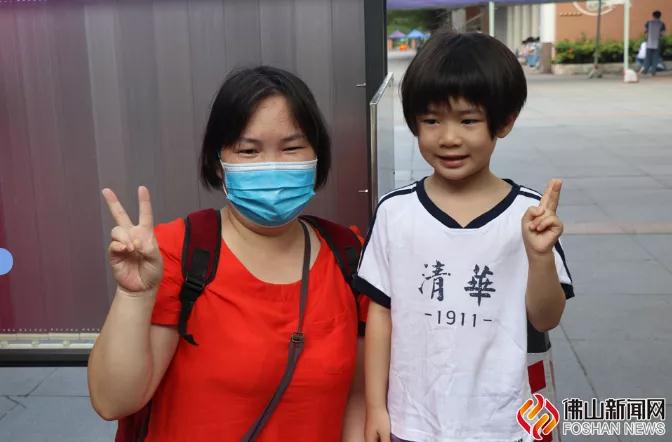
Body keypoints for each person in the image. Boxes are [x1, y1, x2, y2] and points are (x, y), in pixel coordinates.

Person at [88, 66, 367, 441]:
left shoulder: (348, 255)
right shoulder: (177, 253)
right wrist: (133, 295)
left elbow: (359, 399)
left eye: (291, 148)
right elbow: (112, 401)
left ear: (318, 155)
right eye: (248, 151)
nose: (271, 166)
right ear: (217, 163)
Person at [356, 30, 574, 442]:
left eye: (468, 120)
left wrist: (540, 256)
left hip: (503, 423)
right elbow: (380, 315)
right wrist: (375, 407)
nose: (448, 138)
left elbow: (546, 318)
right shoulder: (395, 213)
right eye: (431, 120)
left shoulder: (528, 215)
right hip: (413, 420)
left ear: (504, 121)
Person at [642, 10, 666, 76]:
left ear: (653, 15)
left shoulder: (649, 22)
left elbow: (645, 31)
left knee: (648, 57)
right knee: (655, 57)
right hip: (657, 42)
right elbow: (662, 33)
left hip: (649, 42)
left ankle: (645, 70)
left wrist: (646, 38)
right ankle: (653, 71)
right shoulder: (662, 23)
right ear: (660, 16)